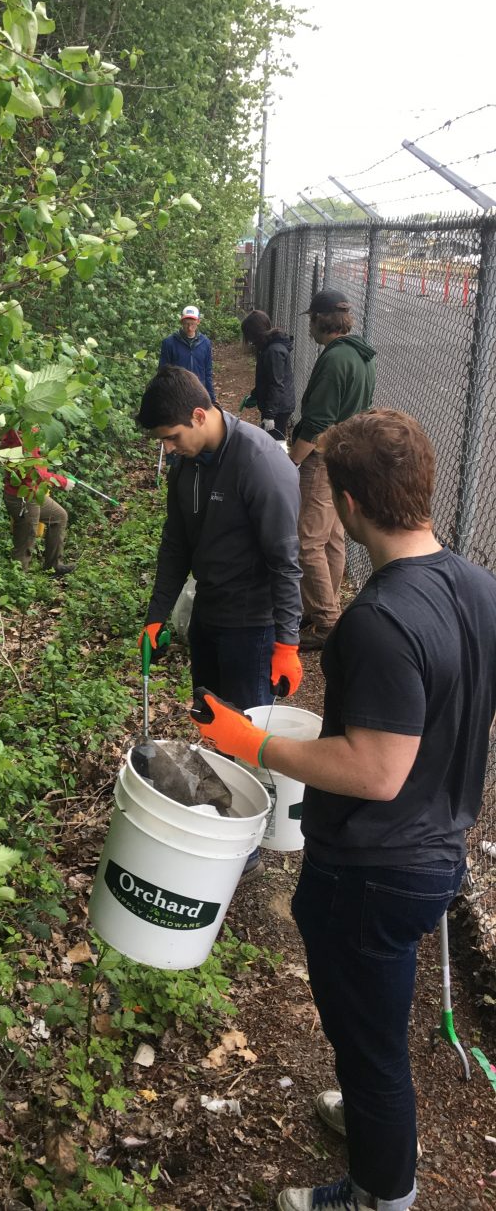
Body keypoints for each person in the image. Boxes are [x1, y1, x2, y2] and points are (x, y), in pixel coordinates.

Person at [190, 409, 496, 1211]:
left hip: (374, 869)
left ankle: (380, 1190)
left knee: (370, 1044)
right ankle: (374, 1120)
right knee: (373, 1029)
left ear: (351, 505)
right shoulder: (475, 585)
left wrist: (248, 742)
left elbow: (375, 768)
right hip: (437, 843)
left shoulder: (379, 619)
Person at [136, 366, 304, 874]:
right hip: (209, 614)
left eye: (171, 437)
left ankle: (246, 849)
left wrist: (288, 642)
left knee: (247, 735)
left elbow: (285, 560)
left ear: (199, 414)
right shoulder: (188, 464)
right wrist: (157, 616)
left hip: (252, 627)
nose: (167, 449)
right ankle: (215, 820)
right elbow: (175, 545)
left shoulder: (259, 465)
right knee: (210, 720)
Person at [289, 288, 376, 651]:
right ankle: (322, 607)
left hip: (323, 460)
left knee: (308, 541)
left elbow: (318, 422)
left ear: (322, 320)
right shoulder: (360, 356)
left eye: (312, 319)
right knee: (332, 538)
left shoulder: (335, 359)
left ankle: (326, 620)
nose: (309, 327)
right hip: (346, 455)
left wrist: (290, 461)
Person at [0, 427, 74, 577]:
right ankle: (18, 578)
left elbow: (36, 463)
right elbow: (33, 472)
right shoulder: (21, 435)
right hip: (23, 496)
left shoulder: (28, 427)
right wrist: (62, 482)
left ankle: (54, 565)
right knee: (26, 537)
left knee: (59, 517)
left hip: (32, 492)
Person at [240, 309, 295, 438]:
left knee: (276, 443)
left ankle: (282, 458)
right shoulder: (267, 348)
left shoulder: (274, 351)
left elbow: (276, 384)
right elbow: (266, 379)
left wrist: (270, 415)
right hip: (274, 405)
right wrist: (255, 394)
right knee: (271, 440)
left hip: (278, 408)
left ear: (255, 333)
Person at [158, 305, 215, 401]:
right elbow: (163, 372)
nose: (189, 328)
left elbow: (207, 372)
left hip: (198, 391)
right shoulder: (169, 343)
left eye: (193, 324)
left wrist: (212, 398)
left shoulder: (205, 343)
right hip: (177, 392)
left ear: (198, 322)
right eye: (186, 324)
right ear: (181, 322)